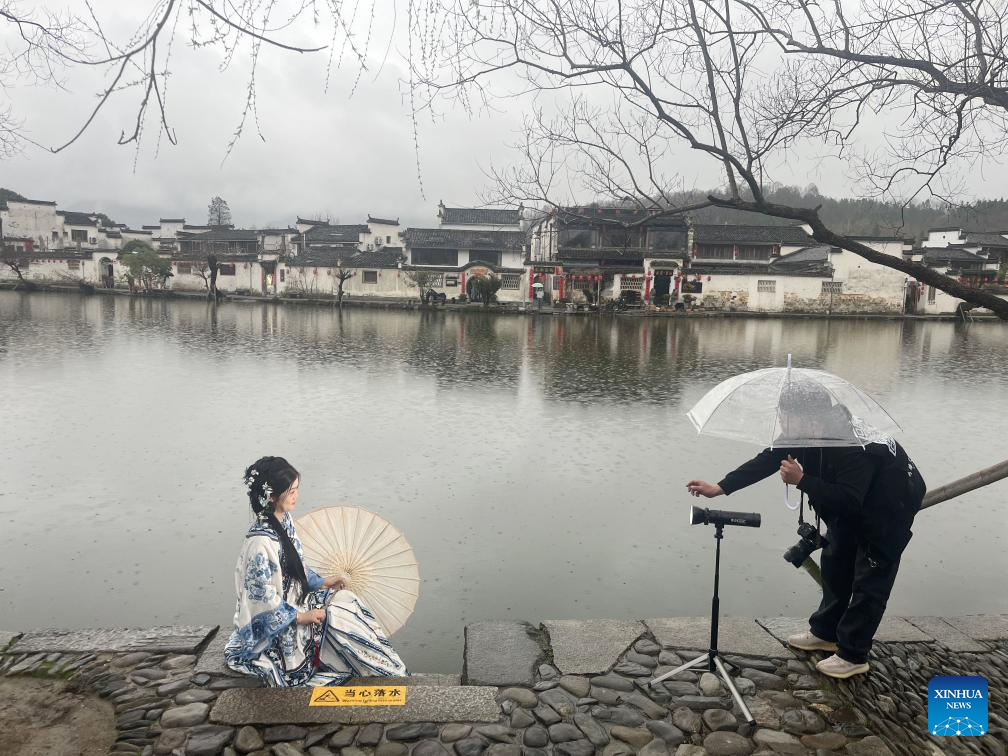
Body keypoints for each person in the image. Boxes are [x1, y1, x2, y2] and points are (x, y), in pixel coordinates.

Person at [686, 393, 926, 679]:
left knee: (869, 582)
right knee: (835, 564)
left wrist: (802, 480)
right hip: (852, 503)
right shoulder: (806, 431)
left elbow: (850, 499)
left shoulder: (851, 447)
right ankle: (826, 633)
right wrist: (720, 487)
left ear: (811, 420)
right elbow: (769, 458)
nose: (781, 422)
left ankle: (853, 654)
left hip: (890, 507)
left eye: (786, 416)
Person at [224, 456, 408, 687]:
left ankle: (388, 669)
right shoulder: (260, 543)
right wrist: (302, 617)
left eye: (296, 490)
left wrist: (322, 583)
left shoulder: (285, 521)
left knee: (346, 600)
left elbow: (295, 567)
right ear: (271, 496)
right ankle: (387, 674)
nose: (296, 496)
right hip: (278, 628)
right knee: (339, 619)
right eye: (291, 491)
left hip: (298, 602)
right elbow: (259, 599)